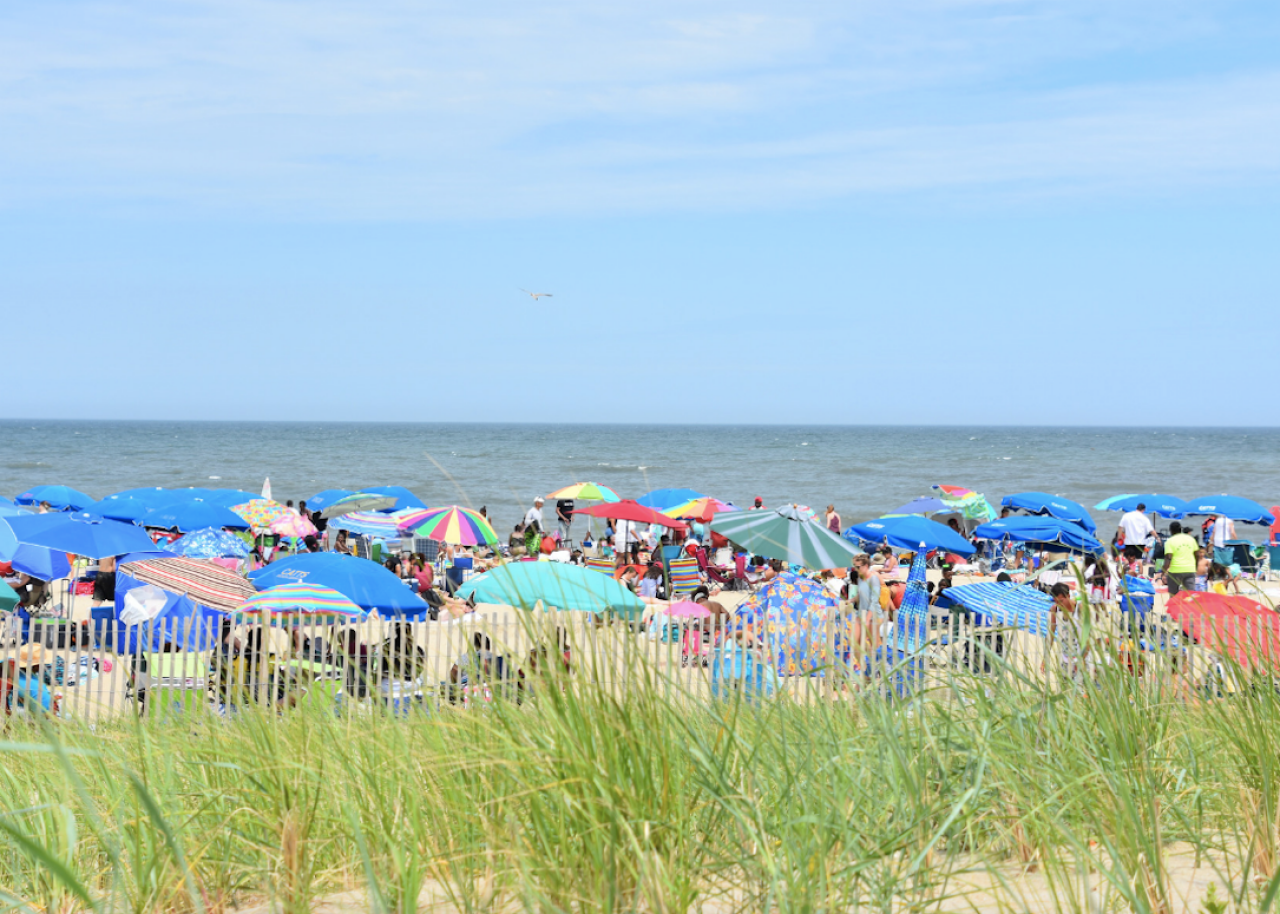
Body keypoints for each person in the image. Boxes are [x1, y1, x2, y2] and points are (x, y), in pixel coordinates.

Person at [1048, 582, 1089, 685]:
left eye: (1061, 601)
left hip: (1080, 656)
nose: (1059, 604)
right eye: (1056, 601)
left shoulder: (1080, 609)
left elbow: (1087, 637)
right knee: (1064, 689)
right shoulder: (1054, 610)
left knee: (1080, 690)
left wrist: (1082, 659)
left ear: (1068, 596)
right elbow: (1050, 635)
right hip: (1064, 658)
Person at [1161, 521, 1201, 596]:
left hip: (1175, 570)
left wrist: (1163, 572)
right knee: (1190, 595)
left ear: (1171, 530)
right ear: (1180, 529)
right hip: (1190, 569)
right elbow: (1197, 555)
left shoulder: (1170, 541)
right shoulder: (1191, 539)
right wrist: (1195, 567)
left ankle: (1175, 607)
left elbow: (1168, 558)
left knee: (1173, 596)